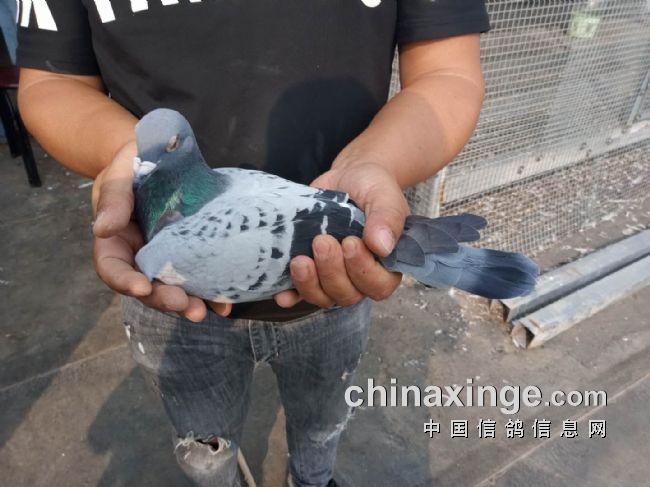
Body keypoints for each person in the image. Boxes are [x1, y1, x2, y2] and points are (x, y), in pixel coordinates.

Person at [17, 1, 489, 486]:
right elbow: (52, 81)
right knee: (206, 451)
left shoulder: (168, 250)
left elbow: (447, 73)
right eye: (144, 153)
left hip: (334, 282)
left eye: (164, 150)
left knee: (322, 425)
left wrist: (378, 165)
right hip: (179, 314)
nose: (146, 164)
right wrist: (119, 154)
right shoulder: (183, 211)